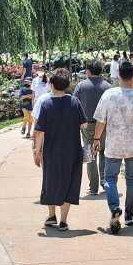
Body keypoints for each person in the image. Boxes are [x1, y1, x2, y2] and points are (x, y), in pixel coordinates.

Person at [92, 61, 133, 234]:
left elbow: (100, 120)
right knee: (132, 179)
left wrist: (97, 138)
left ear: (119, 74)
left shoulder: (109, 95)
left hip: (113, 144)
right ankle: (129, 215)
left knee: (110, 178)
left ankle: (114, 207)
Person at [33, 68, 88, 231]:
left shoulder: (46, 104)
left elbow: (40, 131)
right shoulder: (74, 102)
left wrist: (38, 152)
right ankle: (64, 220)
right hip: (72, 150)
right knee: (70, 181)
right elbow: (83, 124)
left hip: (51, 150)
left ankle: (51, 215)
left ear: (51, 84)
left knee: (50, 180)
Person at [73, 60, 111, 195]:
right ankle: (106, 182)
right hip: (105, 124)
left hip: (87, 124)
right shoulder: (107, 86)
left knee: (90, 153)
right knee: (104, 152)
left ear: (88, 71)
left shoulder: (81, 86)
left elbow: (74, 105)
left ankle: (93, 186)